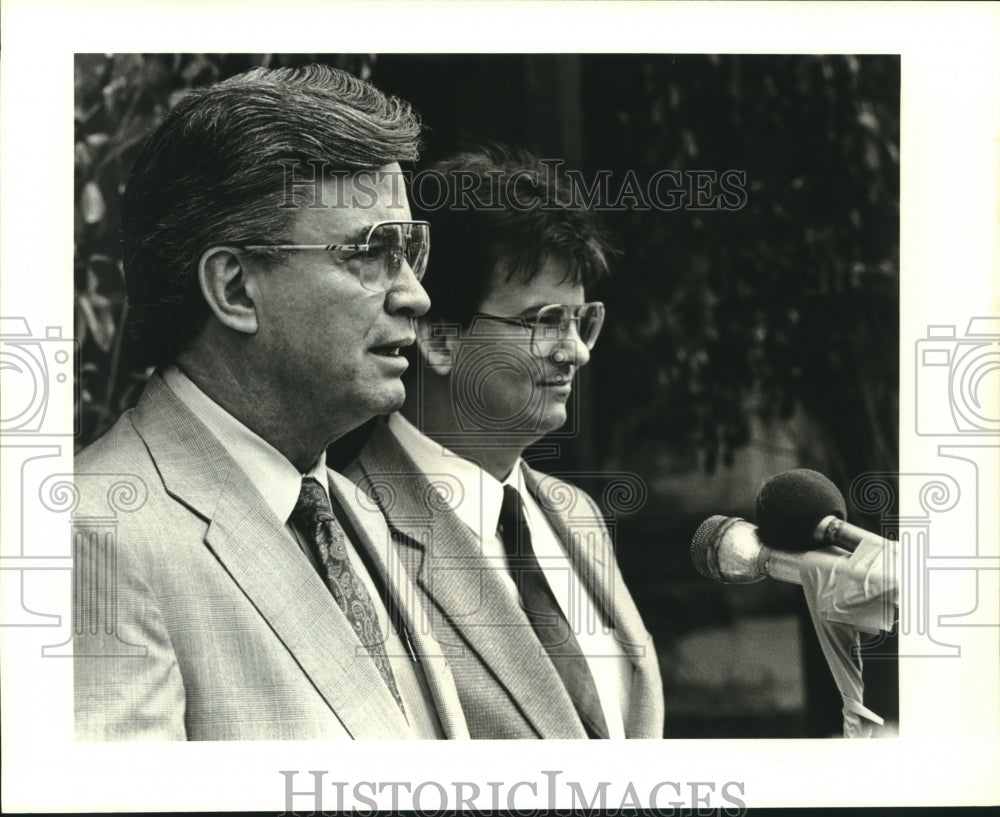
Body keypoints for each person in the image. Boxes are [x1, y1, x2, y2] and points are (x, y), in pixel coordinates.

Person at [72, 64, 469, 741]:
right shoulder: (95, 536)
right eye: (372, 252)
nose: (416, 295)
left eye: (411, 249)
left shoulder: (351, 512)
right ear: (233, 288)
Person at [344, 145, 665, 738]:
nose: (576, 351)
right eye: (544, 321)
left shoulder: (579, 515)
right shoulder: (350, 531)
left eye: (581, 320)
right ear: (438, 340)